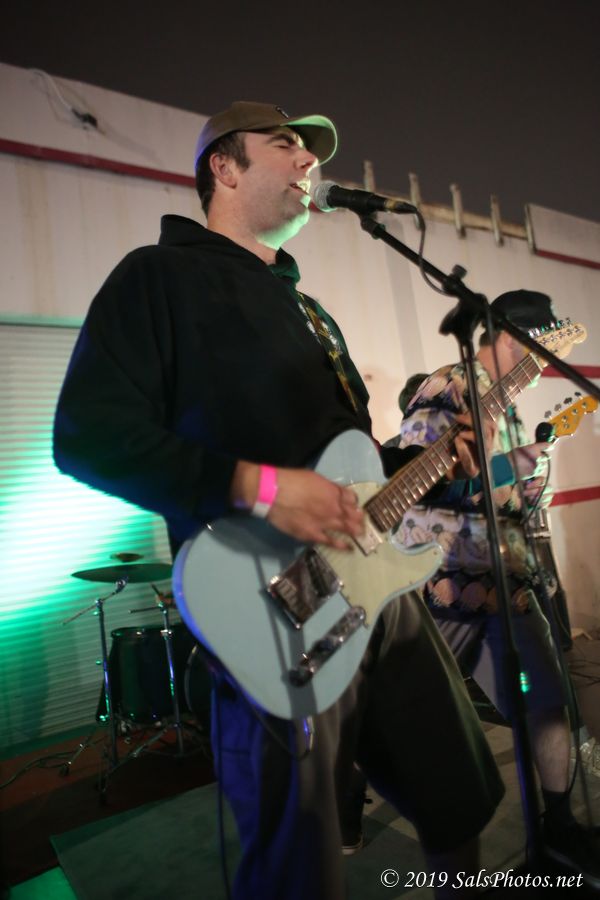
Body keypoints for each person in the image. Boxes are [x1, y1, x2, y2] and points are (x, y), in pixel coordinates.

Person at [53, 100, 505, 900]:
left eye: (313, 153)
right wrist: (261, 487)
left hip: (378, 589)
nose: (309, 164)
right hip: (272, 604)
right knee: (299, 863)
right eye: (286, 145)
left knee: (458, 796)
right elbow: (87, 436)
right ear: (223, 167)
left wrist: (441, 462)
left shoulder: (310, 312)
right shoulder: (158, 278)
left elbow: (354, 474)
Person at [394, 290, 600, 887]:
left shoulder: (507, 405)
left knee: (547, 701)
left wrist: (532, 476)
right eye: (537, 351)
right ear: (511, 337)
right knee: (411, 719)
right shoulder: (446, 387)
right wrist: (513, 466)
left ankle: (558, 827)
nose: (540, 367)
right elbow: (420, 483)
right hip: (445, 584)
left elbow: (505, 497)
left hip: (504, 587)